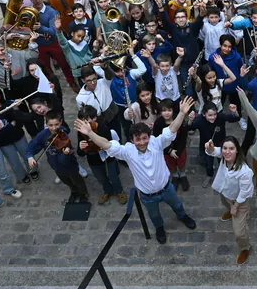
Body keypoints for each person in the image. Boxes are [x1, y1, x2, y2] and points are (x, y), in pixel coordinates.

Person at [75, 97, 198, 244]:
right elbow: (107, 144)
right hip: (148, 196)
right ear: (132, 140)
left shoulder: (157, 143)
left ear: (149, 137)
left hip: (166, 188)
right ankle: (159, 228)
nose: (142, 142)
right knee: (154, 216)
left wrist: (182, 113)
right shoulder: (127, 151)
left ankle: (183, 216)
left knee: (178, 205)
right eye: (138, 139)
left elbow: (171, 129)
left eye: (144, 138)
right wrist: (90, 133)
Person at [206, 136, 254, 265]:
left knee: (239, 233)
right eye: (225, 148)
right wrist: (209, 147)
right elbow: (212, 151)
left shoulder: (245, 171)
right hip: (225, 193)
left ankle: (245, 248)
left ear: (237, 150)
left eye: (231, 149)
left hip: (239, 201)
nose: (227, 152)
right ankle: (229, 210)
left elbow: (244, 192)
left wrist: (235, 206)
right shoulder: (223, 156)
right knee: (224, 203)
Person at [27, 111, 88, 203]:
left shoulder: (63, 134)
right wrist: (30, 156)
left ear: (61, 122)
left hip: (70, 165)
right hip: (55, 165)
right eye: (50, 125)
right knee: (66, 181)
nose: (54, 128)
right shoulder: (43, 134)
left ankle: (83, 193)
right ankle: (74, 191)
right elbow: (32, 145)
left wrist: (66, 153)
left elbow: (65, 130)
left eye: (57, 124)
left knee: (78, 180)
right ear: (46, 123)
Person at [0, 84, 36, 184]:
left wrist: (16, 109)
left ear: (0, 93)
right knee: (14, 161)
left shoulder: (9, 104)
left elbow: (19, 122)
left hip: (18, 136)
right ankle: (22, 175)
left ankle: (33, 170)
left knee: (27, 154)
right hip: (4, 143)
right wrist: (11, 126)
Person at [28, 0, 79, 92]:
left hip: (53, 43)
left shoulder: (51, 12)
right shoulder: (29, 12)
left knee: (64, 64)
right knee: (45, 67)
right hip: (40, 45)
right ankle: (53, 84)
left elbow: (53, 31)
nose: (37, 1)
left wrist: (41, 28)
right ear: (31, 0)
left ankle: (71, 81)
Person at [77, 105, 127, 205]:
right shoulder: (81, 131)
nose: (86, 124)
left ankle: (119, 191)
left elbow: (107, 144)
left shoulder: (103, 127)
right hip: (93, 159)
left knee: (113, 176)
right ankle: (107, 191)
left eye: (88, 120)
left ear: (95, 118)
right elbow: (80, 153)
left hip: (108, 157)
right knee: (100, 177)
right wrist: (81, 148)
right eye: (83, 121)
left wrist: (93, 138)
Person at [186, 102, 239, 187]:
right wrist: (190, 120)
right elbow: (190, 128)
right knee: (209, 163)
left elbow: (234, 118)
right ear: (204, 114)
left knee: (223, 161)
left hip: (221, 144)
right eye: (210, 115)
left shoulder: (220, 117)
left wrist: (234, 112)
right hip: (207, 146)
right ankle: (209, 175)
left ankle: (225, 175)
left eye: (214, 114)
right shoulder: (200, 120)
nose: (213, 117)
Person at [76, 64, 122, 139]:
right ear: (83, 80)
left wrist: (105, 66)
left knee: (117, 136)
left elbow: (110, 75)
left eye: (94, 79)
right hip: (98, 121)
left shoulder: (103, 82)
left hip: (112, 115)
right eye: (89, 81)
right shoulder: (80, 98)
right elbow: (83, 114)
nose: (93, 82)